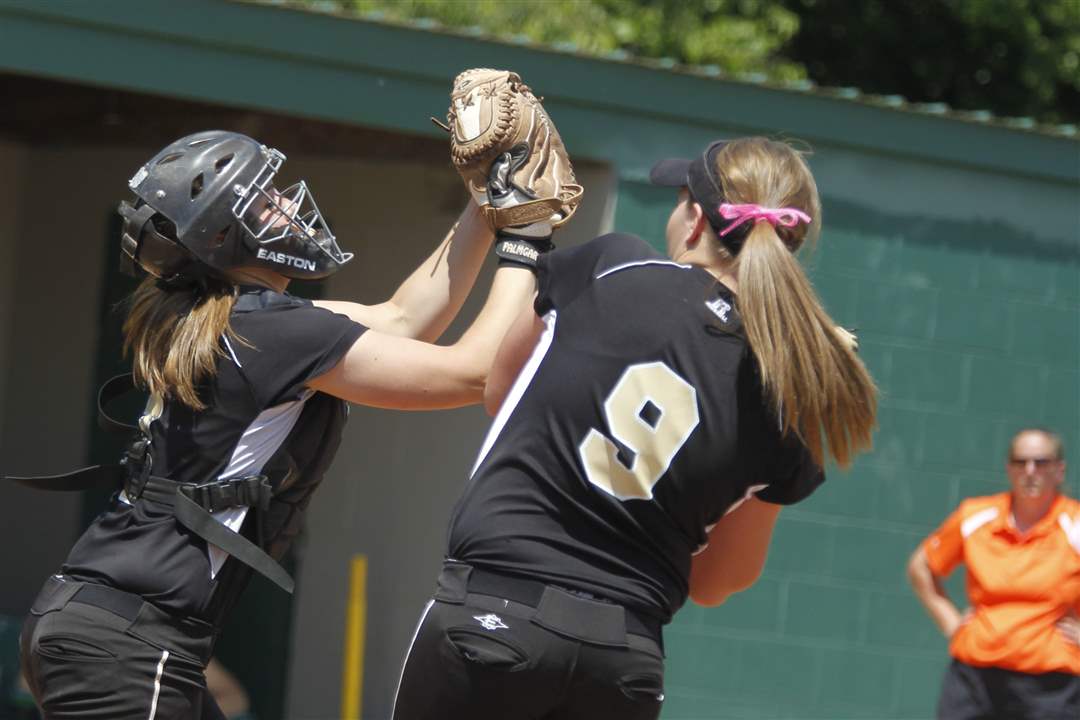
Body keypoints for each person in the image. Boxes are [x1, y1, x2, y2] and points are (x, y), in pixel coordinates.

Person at [12, 128, 544, 719]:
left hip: (106, 627)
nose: (287, 205)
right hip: (127, 642)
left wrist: (486, 201)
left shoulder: (239, 316)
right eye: (265, 199)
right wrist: (527, 238)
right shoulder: (271, 330)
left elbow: (402, 319)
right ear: (221, 236)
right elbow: (477, 374)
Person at [391, 136, 878, 720]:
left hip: (495, 613)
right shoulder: (793, 383)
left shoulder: (614, 264)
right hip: (623, 659)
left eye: (679, 200)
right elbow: (719, 581)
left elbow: (501, 392)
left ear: (696, 220)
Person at [907, 427, 1080, 719]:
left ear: (1059, 470)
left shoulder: (1074, 524)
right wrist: (950, 621)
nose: (1030, 471)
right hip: (974, 679)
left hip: (1052, 686)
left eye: (1041, 462)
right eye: (1020, 462)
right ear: (1008, 469)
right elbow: (920, 567)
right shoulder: (975, 516)